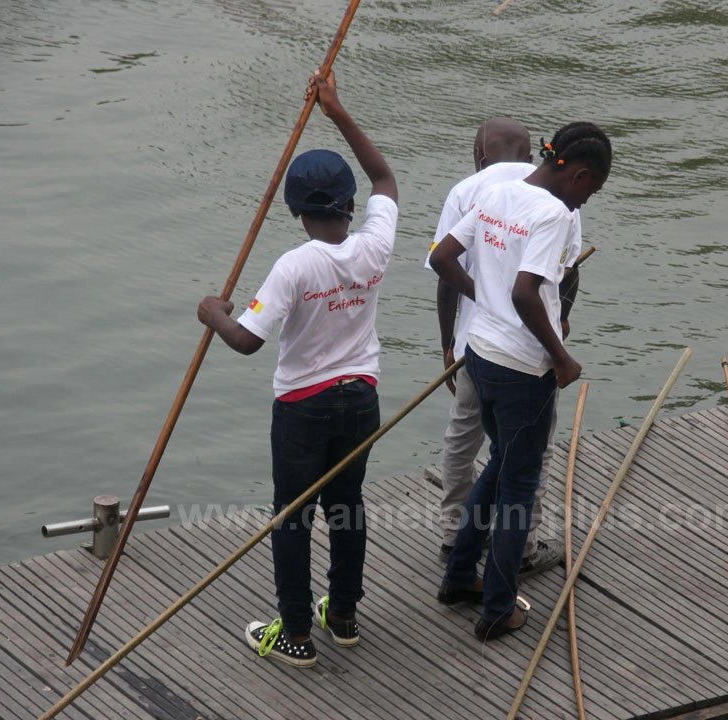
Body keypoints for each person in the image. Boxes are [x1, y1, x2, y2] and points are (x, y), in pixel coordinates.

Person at [197, 69, 397, 668]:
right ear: (350, 202)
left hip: (304, 407)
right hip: (362, 397)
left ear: (292, 209)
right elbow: (385, 175)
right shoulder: (375, 244)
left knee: (292, 516)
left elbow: (247, 341)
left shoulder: (295, 265)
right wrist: (336, 111)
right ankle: (342, 614)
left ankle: (294, 635)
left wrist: (212, 314)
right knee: (347, 506)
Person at [430, 122, 611, 640]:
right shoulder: (553, 213)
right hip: (522, 367)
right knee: (519, 487)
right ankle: (497, 609)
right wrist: (561, 358)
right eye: (590, 190)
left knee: (500, 465)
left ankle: (460, 575)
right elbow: (527, 294)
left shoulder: (499, 192)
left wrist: (482, 297)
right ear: (576, 173)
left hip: (479, 355)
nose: (585, 202)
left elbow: (443, 258)